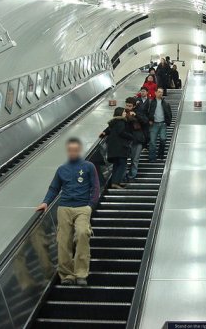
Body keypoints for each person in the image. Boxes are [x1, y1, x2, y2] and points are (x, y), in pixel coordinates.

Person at [36, 137, 100, 286]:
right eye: (70, 150)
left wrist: (91, 205)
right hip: (64, 208)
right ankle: (67, 275)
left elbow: (96, 187)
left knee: (83, 233)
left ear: (79, 151)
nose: (73, 152)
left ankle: (81, 273)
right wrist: (45, 202)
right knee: (63, 241)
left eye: (75, 150)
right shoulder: (61, 169)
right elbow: (54, 188)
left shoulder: (89, 166)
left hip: (83, 208)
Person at [102, 107, 134, 189]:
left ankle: (115, 182)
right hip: (120, 148)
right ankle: (115, 183)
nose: (124, 113)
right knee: (122, 164)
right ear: (120, 113)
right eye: (123, 112)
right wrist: (131, 136)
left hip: (113, 148)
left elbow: (108, 132)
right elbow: (121, 132)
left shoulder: (113, 123)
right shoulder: (121, 121)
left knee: (116, 165)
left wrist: (103, 133)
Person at [124, 97, 147, 181]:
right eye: (127, 105)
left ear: (133, 106)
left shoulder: (138, 112)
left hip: (137, 139)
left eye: (130, 106)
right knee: (123, 160)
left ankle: (131, 176)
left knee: (135, 159)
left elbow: (145, 121)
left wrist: (136, 115)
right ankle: (123, 176)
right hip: (126, 140)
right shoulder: (122, 113)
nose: (128, 107)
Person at [148, 88, 172, 161]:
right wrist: (149, 120)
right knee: (152, 141)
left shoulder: (165, 103)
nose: (160, 93)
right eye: (159, 92)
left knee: (163, 139)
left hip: (163, 124)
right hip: (154, 124)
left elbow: (169, 113)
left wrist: (168, 121)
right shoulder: (151, 102)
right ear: (155, 93)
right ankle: (152, 158)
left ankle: (160, 155)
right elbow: (147, 112)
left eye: (161, 92)